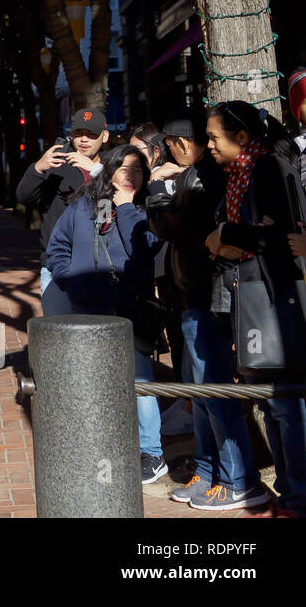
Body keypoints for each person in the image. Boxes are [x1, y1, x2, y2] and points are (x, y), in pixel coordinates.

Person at [147, 110, 263, 509]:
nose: (211, 146)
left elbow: (171, 224)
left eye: (214, 137)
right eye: (209, 138)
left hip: (209, 293)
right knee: (199, 392)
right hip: (192, 294)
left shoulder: (205, 175)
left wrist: (159, 193)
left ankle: (239, 478)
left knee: (212, 391)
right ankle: (210, 471)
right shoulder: (199, 174)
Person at [45, 144, 168, 485]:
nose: (131, 176)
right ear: (109, 171)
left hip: (130, 308)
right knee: (96, 380)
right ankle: (106, 444)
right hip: (89, 307)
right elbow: (59, 248)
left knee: (139, 380)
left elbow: (141, 255)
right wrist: (70, 280)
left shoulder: (147, 210)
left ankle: (151, 453)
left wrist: (128, 209)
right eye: (124, 169)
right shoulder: (89, 204)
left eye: (138, 170)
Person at [206, 101, 306, 517]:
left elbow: (280, 237)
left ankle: (298, 496)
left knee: (286, 401)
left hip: (277, 297)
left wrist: (227, 233)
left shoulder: (265, 169)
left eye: (214, 137)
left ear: (242, 137)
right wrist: (234, 237)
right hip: (252, 293)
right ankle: (288, 488)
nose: (208, 145)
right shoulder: (236, 176)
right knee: (270, 400)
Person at [15, 108, 110, 304]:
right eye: (78, 134)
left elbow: (111, 209)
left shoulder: (112, 166)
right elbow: (24, 197)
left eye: (91, 135)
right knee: (57, 330)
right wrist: (38, 168)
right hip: (59, 263)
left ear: (105, 136)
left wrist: (95, 170)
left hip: (102, 263)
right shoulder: (57, 163)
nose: (84, 140)